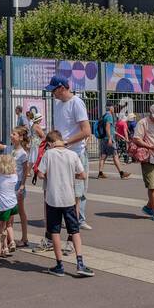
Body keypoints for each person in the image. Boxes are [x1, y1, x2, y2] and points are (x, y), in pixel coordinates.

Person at [37, 130, 93, 277]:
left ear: (50, 143)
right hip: (69, 198)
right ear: (61, 140)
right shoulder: (72, 155)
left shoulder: (48, 154)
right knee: (74, 230)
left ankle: (59, 265)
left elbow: (41, 174)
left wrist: (51, 174)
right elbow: (83, 175)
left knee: (54, 231)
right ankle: (80, 263)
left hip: (53, 199)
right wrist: (70, 175)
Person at [45, 76, 92, 229]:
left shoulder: (76, 103)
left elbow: (86, 131)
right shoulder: (58, 105)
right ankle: (73, 220)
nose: (52, 93)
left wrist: (65, 142)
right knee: (64, 188)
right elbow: (59, 129)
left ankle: (78, 221)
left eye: (53, 90)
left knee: (78, 190)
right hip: (60, 153)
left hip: (75, 152)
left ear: (62, 88)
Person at [0, 153, 20, 257]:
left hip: (4, 207)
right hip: (13, 205)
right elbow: (15, 173)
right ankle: (12, 242)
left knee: (2, 229)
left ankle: (5, 247)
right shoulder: (14, 177)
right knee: (9, 225)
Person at [10, 126, 32, 248]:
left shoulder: (23, 153)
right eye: (12, 133)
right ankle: (11, 238)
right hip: (11, 183)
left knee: (18, 211)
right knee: (12, 212)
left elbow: (25, 171)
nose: (11, 135)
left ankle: (24, 238)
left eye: (14, 134)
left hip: (18, 184)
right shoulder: (12, 149)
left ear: (20, 137)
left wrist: (22, 185)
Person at [95, 103, 129, 179]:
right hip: (109, 139)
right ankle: (121, 173)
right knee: (115, 156)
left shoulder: (104, 116)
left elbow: (111, 129)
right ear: (111, 107)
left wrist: (120, 136)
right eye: (113, 107)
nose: (114, 109)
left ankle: (100, 173)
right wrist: (110, 138)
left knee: (103, 156)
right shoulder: (109, 116)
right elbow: (107, 128)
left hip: (104, 139)